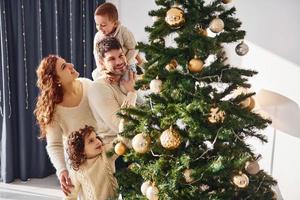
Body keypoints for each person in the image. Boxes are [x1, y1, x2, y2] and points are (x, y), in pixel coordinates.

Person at [34, 55, 97, 195]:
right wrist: (62, 170)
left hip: (100, 153)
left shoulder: (87, 84)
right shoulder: (53, 108)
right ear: (56, 80)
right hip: (78, 164)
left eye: (66, 62)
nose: (71, 65)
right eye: (64, 67)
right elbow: (54, 144)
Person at [88, 37, 137, 145]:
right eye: (111, 59)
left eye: (121, 55)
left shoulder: (127, 79)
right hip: (117, 154)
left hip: (142, 146)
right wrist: (132, 93)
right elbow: (123, 128)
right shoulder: (98, 88)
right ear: (101, 63)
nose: (119, 62)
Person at [92, 2, 144, 80]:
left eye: (103, 25)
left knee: (128, 78)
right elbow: (97, 55)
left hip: (125, 64)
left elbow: (134, 48)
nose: (99, 28)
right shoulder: (98, 37)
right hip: (109, 66)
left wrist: (126, 61)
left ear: (115, 23)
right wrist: (103, 70)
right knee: (95, 74)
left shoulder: (123, 32)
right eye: (97, 24)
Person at [65, 125, 118, 200]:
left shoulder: (105, 153)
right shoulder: (77, 170)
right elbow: (70, 196)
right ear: (81, 150)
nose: (97, 141)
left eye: (96, 137)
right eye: (91, 141)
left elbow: (120, 143)